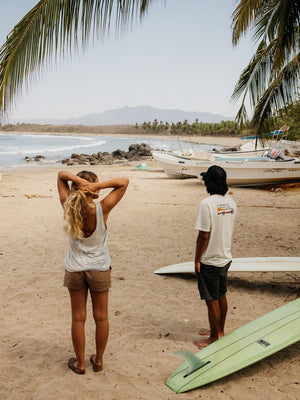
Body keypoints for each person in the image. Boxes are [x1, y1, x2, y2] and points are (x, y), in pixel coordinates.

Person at [57, 170, 129, 374]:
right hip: (99, 268)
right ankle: (98, 361)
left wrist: (79, 182)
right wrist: (98, 187)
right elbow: (124, 182)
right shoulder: (102, 209)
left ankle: (80, 364)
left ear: (76, 187)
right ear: (94, 190)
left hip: (75, 269)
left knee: (78, 318)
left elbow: (61, 175)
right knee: (101, 317)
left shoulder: (67, 207)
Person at [194, 165, 237, 348]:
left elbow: (204, 235)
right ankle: (219, 329)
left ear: (208, 183)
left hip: (210, 259)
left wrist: (197, 259)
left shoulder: (206, 204)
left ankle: (214, 337)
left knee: (212, 300)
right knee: (221, 295)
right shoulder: (231, 203)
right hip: (225, 256)